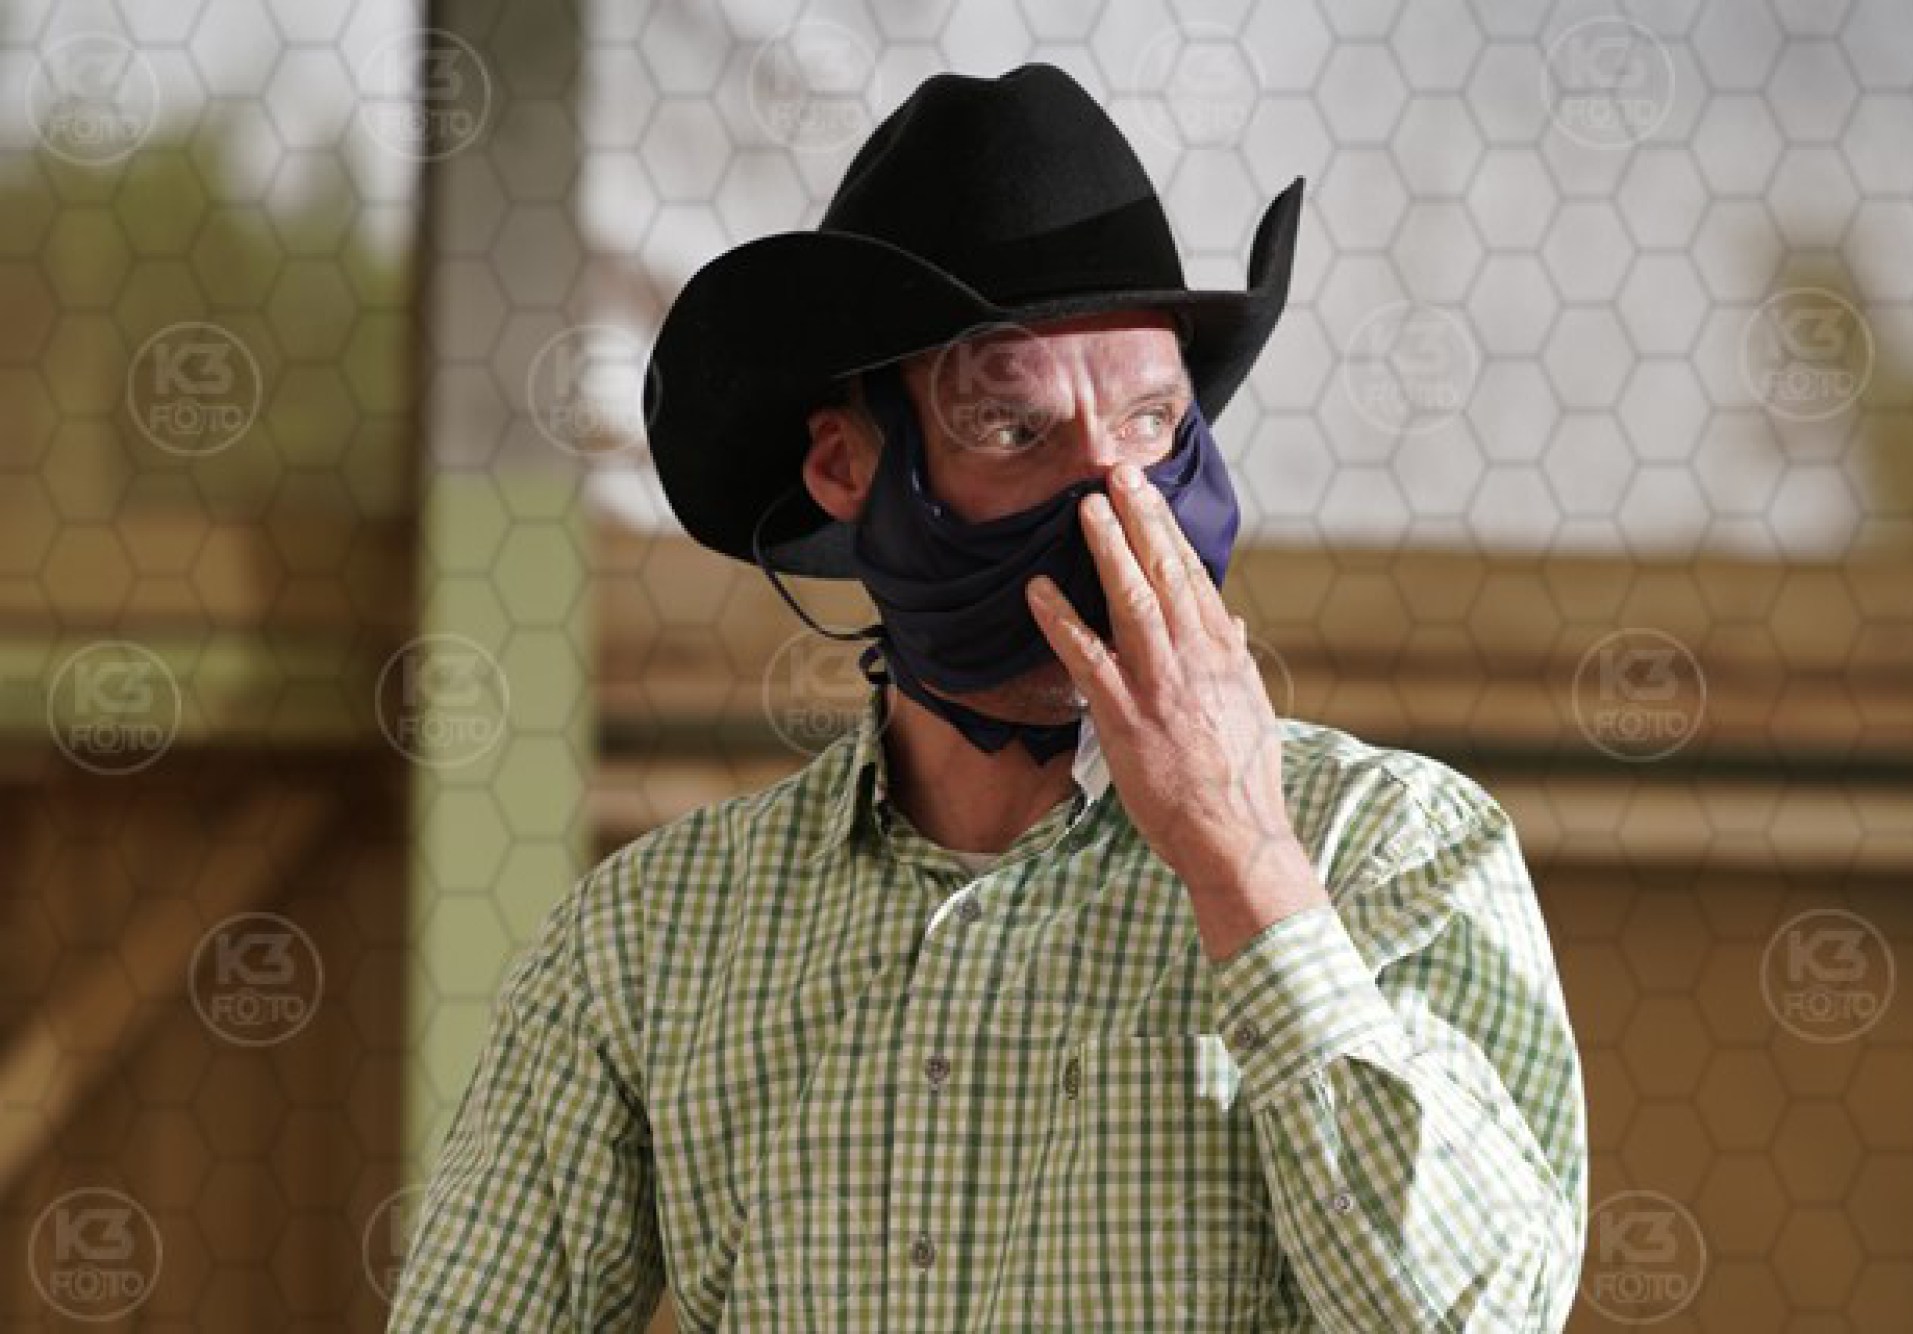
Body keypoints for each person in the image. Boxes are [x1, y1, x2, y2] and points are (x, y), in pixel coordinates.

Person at [389, 62, 1588, 1332]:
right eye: (1013, 429)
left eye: (1151, 421)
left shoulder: (1394, 846)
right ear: (846, 467)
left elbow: (1480, 1317)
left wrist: (1244, 860)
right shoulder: (650, 941)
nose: (1113, 495)